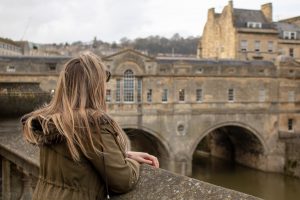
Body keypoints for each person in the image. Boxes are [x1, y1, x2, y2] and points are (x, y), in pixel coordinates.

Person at [21, 52, 159, 200]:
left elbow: (77, 161)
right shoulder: (91, 125)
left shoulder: (50, 122)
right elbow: (123, 181)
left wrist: (123, 156)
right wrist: (132, 163)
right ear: (95, 88)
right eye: (102, 85)